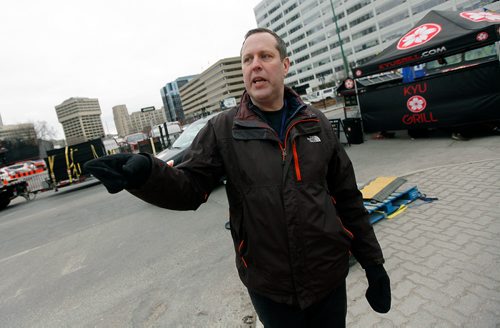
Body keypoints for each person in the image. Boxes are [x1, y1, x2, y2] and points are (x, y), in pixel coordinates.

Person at [84, 28, 390, 327]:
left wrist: (373, 263)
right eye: (247, 59)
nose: (254, 64)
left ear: (284, 65)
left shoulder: (317, 124)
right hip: (271, 289)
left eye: (265, 55)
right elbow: (189, 188)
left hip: (328, 279)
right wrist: (146, 174)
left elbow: (348, 199)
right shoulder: (222, 130)